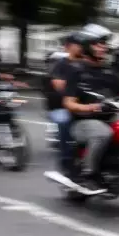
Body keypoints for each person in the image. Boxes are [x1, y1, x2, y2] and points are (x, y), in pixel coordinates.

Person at [62, 23, 119, 193]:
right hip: (82, 122)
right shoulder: (76, 71)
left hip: (110, 117)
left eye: (104, 44)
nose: (103, 47)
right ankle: (88, 175)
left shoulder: (108, 72)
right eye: (97, 43)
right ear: (87, 46)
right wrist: (92, 107)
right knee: (102, 133)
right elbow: (69, 103)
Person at [47, 33, 84, 173]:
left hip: (85, 104)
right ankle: (66, 159)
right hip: (62, 106)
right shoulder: (61, 65)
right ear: (68, 47)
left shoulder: (86, 64)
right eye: (78, 44)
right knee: (64, 121)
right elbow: (59, 86)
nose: (81, 47)